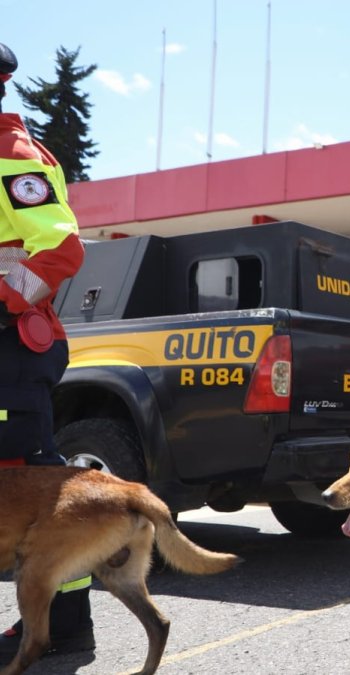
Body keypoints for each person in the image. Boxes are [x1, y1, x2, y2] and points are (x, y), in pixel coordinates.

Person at [0, 42, 91, 658]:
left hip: (12, 343)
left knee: (32, 484)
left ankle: (60, 628)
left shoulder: (10, 154)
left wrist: (4, 301)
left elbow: (61, 249)